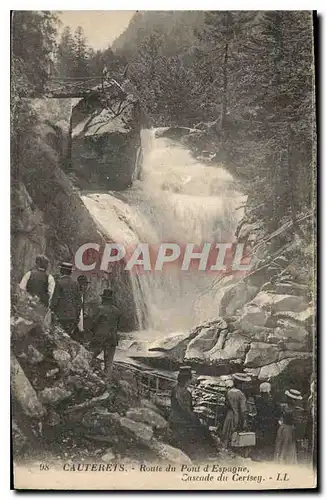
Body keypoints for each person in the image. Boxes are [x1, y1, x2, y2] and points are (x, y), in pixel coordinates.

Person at [168, 366, 217, 459]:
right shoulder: (185, 393)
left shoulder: (174, 389)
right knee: (204, 430)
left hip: (173, 418)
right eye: (190, 379)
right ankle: (210, 454)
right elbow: (186, 410)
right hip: (182, 421)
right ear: (187, 380)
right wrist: (196, 420)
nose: (191, 382)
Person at [88, 289, 120, 378]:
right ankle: (107, 380)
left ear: (104, 299)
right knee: (109, 362)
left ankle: (89, 375)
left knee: (90, 356)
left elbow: (93, 322)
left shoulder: (100, 309)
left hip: (100, 338)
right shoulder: (117, 311)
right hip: (112, 338)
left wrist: (90, 333)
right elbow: (118, 326)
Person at [50, 262, 82, 335]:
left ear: (62, 271)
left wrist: (51, 310)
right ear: (70, 272)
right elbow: (79, 302)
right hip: (72, 316)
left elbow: (55, 300)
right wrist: (77, 316)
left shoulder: (59, 282)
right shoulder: (76, 284)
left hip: (61, 315)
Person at [274, 389, 304, 464]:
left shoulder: (284, 406)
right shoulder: (295, 409)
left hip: (283, 427)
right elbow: (296, 421)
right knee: (287, 445)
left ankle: (281, 461)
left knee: (282, 445)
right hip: (288, 429)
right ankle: (285, 462)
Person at [221, 373, 249, 448]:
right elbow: (243, 409)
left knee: (227, 432)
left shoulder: (228, 392)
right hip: (237, 416)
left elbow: (226, 405)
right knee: (235, 433)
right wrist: (245, 421)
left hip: (229, 415)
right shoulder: (241, 394)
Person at [254, 382, 278, 461]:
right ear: (269, 391)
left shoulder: (258, 400)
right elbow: (277, 412)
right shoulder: (272, 401)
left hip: (260, 421)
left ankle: (260, 456)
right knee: (269, 440)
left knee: (261, 439)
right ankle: (268, 457)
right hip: (270, 423)